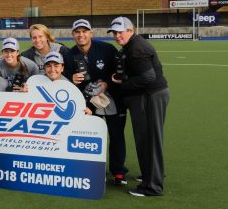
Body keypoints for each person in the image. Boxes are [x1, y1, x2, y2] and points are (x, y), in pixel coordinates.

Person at [109, 16, 170, 197]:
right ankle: (151, 175)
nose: (117, 36)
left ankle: (152, 186)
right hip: (149, 96)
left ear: (131, 30)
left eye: (120, 32)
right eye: (114, 33)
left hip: (149, 97)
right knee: (149, 139)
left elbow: (148, 77)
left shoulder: (136, 48)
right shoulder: (133, 45)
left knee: (148, 140)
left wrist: (123, 83)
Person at [68, 19, 128, 185]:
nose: (81, 35)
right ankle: (93, 170)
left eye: (84, 31)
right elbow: (64, 75)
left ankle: (118, 172)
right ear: (73, 34)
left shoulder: (107, 49)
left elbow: (119, 71)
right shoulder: (70, 54)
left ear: (91, 33)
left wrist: (107, 83)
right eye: (77, 32)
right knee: (90, 136)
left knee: (116, 134)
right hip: (88, 102)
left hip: (113, 98)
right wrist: (71, 78)